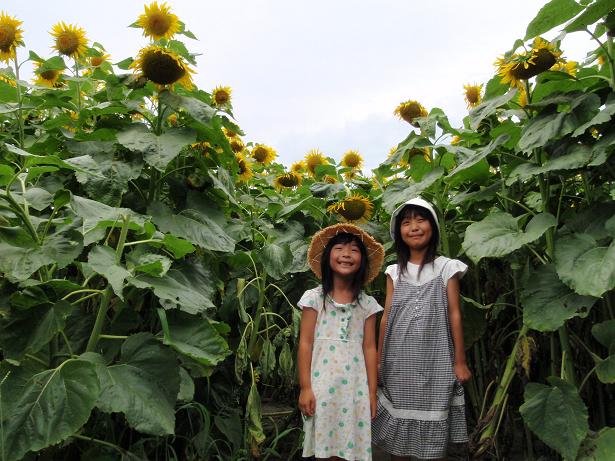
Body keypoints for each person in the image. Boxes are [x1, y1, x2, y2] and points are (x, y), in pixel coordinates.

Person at [372, 197, 472, 460]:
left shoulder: (447, 267)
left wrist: (459, 361)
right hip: (398, 360)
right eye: (406, 222)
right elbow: (386, 318)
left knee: (434, 416)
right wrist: (380, 361)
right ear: (399, 233)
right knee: (398, 433)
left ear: (433, 226)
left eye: (420, 219)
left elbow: (455, 314)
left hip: (436, 359)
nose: (414, 227)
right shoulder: (394, 271)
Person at [297, 223, 385, 461]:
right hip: (321, 388)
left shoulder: (367, 305)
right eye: (339, 248)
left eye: (354, 250)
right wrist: (305, 387)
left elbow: (369, 348)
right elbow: (305, 343)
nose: (346, 254)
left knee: (348, 448)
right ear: (327, 257)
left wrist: (371, 392)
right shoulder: (314, 299)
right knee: (324, 448)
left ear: (363, 261)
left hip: (355, 391)